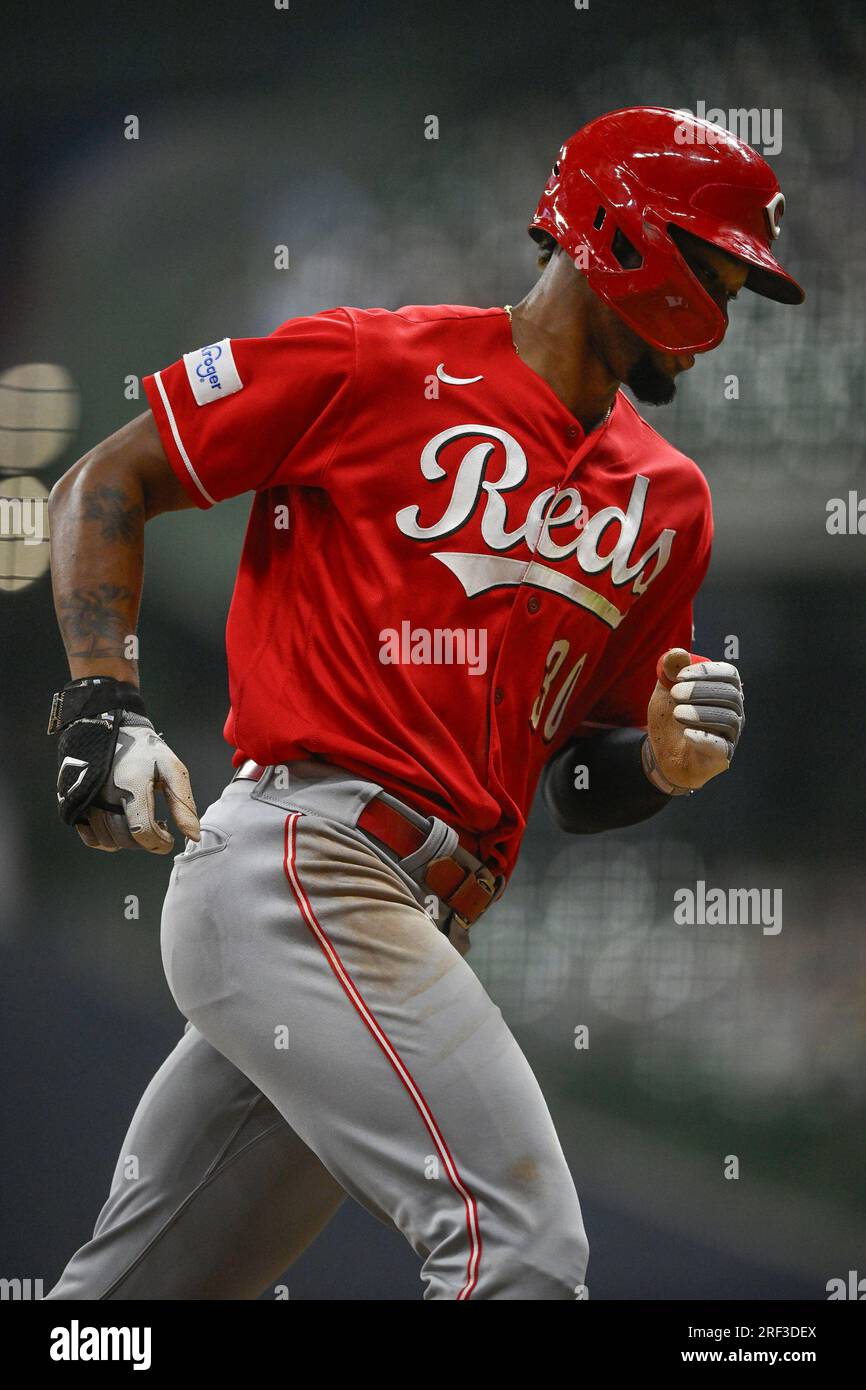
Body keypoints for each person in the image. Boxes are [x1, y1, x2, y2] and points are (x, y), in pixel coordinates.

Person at [44, 107, 801, 1300]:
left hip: (414, 921)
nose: (727, 315)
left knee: (127, 1308)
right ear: (619, 235)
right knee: (523, 1248)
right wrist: (102, 700)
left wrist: (655, 764)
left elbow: (582, 783)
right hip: (304, 865)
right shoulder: (373, 361)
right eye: (717, 270)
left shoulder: (667, 502)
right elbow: (109, 478)